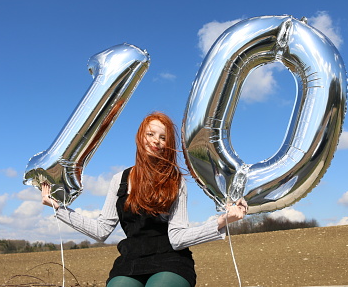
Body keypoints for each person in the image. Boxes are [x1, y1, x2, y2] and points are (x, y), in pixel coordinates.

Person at [41, 112, 248, 287]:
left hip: (170, 260)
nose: (156, 141)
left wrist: (223, 221)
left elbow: (178, 238)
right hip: (130, 260)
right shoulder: (119, 180)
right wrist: (59, 209)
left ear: (168, 144)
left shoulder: (175, 181)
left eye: (163, 137)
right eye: (150, 134)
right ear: (141, 137)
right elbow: (102, 230)